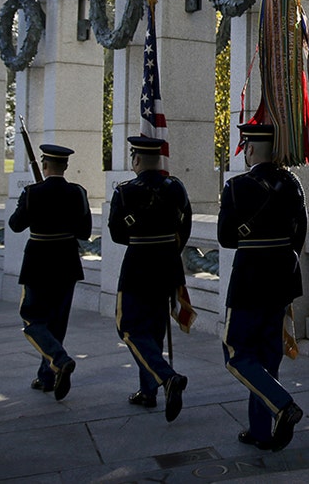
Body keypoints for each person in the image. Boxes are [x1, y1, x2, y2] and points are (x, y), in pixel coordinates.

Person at [218, 123, 307, 451]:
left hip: (249, 280)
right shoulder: (293, 183)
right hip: (283, 278)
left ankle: (283, 405)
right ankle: (261, 431)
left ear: (251, 149)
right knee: (268, 356)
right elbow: (300, 233)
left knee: (237, 352)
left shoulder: (237, 186)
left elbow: (226, 238)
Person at [109, 136, 192, 422]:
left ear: (136, 160)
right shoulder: (176, 187)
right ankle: (148, 391)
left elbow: (117, 234)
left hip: (139, 264)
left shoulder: (125, 192)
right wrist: (170, 249)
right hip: (168, 263)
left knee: (129, 327)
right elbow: (186, 225)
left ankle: (167, 378)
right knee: (155, 328)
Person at [8, 144, 92, 401]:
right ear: (65, 166)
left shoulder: (32, 192)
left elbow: (15, 225)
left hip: (38, 264)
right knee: (57, 322)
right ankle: (47, 376)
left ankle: (59, 359)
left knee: (32, 319)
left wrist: (29, 202)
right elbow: (85, 233)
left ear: (44, 166)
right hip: (66, 263)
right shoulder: (78, 192)